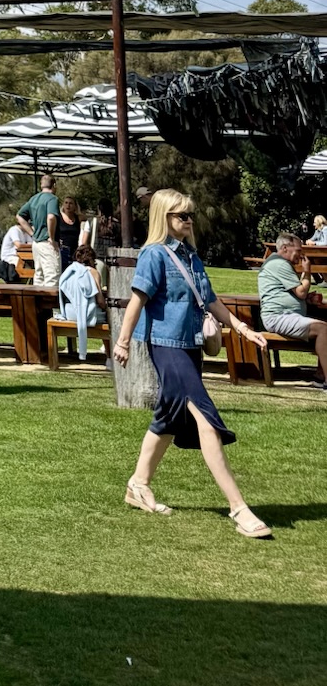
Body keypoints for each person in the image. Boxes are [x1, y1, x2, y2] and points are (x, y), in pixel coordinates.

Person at [114, 189, 273, 535]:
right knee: (205, 416)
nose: (188, 220)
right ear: (164, 217)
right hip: (165, 346)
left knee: (169, 416)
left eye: (190, 215)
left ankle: (138, 484)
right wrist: (123, 342)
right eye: (181, 215)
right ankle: (239, 508)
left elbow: (211, 300)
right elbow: (137, 300)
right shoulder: (154, 254)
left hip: (190, 345)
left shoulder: (191, 256)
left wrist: (243, 329)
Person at [257, 235, 327, 388]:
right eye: (298, 250)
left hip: (285, 315)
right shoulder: (279, 264)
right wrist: (307, 271)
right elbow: (300, 291)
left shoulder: (279, 263)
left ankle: (320, 375)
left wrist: (308, 299)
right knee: (322, 329)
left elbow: (291, 293)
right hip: (278, 317)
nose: (301, 255)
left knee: (324, 325)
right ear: (285, 248)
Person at [56, 242, 107, 359]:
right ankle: (108, 356)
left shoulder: (70, 270)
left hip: (69, 313)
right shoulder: (93, 272)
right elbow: (100, 300)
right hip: (87, 314)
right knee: (109, 317)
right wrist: (106, 308)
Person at [18, 175, 61, 286]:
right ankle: (50, 299)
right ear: (54, 185)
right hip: (47, 243)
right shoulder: (52, 199)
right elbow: (51, 217)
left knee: (39, 276)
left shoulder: (33, 199)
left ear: (41, 185)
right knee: (52, 277)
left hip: (36, 244)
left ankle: (37, 298)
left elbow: (19, 216)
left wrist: (32, 233)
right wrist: (51, 238)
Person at [0, 215, 32, 283]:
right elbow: (18, 245)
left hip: (20, 257)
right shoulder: (14, 230)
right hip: (10, 257)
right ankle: (19, 285)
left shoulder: (26, 232)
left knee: (34, 265)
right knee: (26, 267)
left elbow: (31, 244)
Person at [55, 195, 82, 271]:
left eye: (71, 203)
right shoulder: (58, 218)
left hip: (74, 251)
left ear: (75, 206)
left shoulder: (78, 218)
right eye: (66, 203)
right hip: (62, 250)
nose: (68, 205)